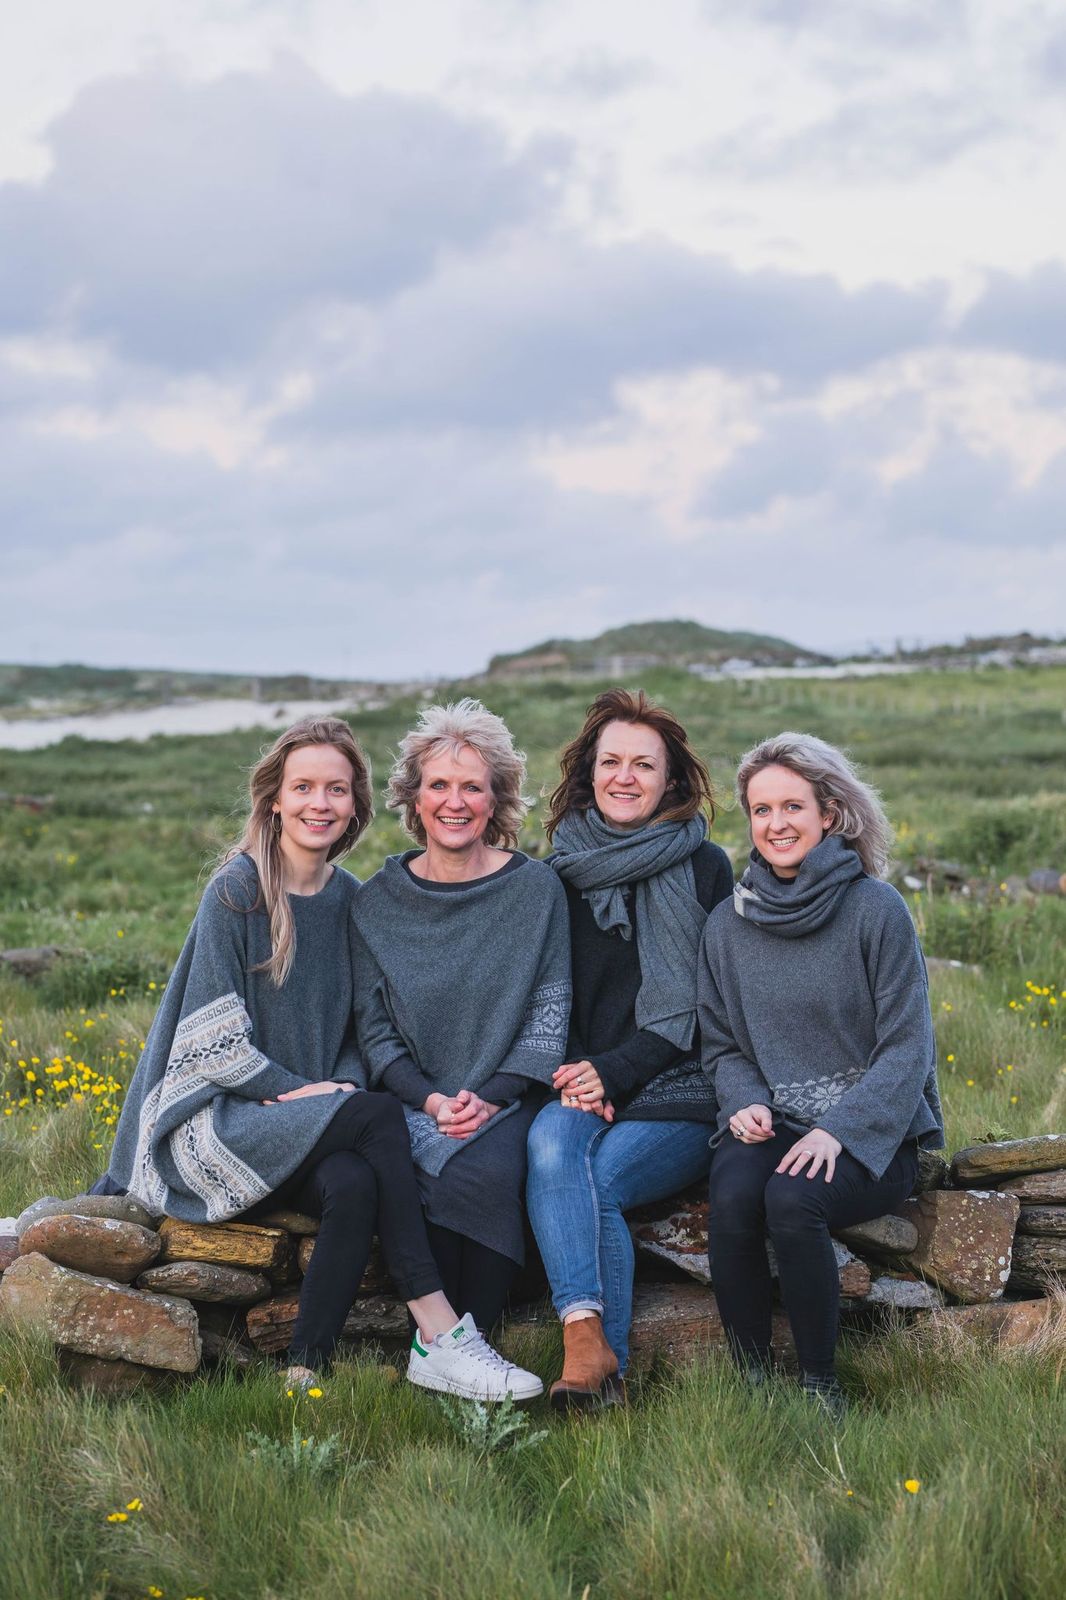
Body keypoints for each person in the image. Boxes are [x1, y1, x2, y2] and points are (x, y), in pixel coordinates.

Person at [99, 716, 542, 1399]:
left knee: (354, 1183)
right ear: (274, 798)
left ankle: (304, 1371)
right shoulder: (238, 890)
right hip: (220, 1122)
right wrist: (296, 1093)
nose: (320, 803)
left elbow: (356, 1035)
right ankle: (441, 1332)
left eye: (336, 789)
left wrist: (333, 1089)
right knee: (372, 1119)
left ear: (356, 806)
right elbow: (211, 1040)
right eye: (303, 787)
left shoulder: (349, 900)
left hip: (298, 1127)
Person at [699, 731, 944, 1415]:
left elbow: (907, 1049)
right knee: (733, 1188)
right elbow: (721, 1042)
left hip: (875, 1136)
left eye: (792, 807)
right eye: (760, 810)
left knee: (792, 1197)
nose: (776, 824)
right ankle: (750, 1379)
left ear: (829, 813)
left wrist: (838, 1131)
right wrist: (743, 1099)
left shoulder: (876, 910)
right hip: (778, 1123)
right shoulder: (728, 924)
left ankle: (819, 1385)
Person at [525, 688, 735, 1409]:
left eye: (642, 765)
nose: (624, 776)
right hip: (586, 1081)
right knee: (551, 1148)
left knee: (602, 1182)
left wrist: (614, 1073)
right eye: (610, 761)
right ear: (588, 774)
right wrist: (585, 1076)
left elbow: (709, 1009)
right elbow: (548, 995)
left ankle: (593, 1372)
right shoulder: (557, 873)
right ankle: (590, 1349)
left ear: (670, 780)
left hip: (682, 1088)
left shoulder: (707, 869)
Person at [351, 698, 571, 1339]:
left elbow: (548, 1016)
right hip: (411, 1102)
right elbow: (374, 1029)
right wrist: (428, 1100)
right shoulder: (376, 902)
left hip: (505, 1097)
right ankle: (445, 1349)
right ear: (413, 800)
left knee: (491, 1171)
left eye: (472, 786)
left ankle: (474, 1339)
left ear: (496, 799)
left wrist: (487, 1098)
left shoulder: (536, 892)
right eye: (439, 785)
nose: (455, 801)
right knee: (401, 1171)